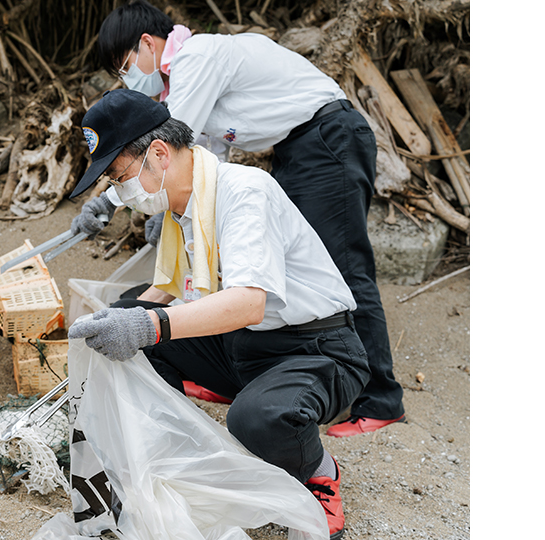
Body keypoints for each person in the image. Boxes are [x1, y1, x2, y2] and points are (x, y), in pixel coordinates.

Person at [71, 0, 403, 438]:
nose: (128, 77)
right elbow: (203, 155)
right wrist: (170, 207)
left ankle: (379, 397)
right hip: (293, 145)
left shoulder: (197, 57)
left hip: (327, 135)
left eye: (126, 65)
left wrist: (111, 201)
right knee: (180, 293)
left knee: (345, 263)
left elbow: (175, 133)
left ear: (147, 44)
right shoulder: (185, 88)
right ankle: (244, 373)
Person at [68, 89, 370, 540]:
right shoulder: (182, 208)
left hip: (316, 348)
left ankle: (319, 473)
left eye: (118, 174)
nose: (118, 190)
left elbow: (248, 301)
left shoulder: (244, 192)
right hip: (245, 345)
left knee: (256, 419)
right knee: (129, 316)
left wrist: (146, 326)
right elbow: (167, 293)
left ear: (158, 153)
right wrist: (112, 324)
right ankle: (166, 454)